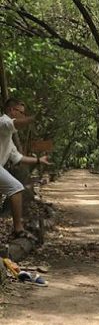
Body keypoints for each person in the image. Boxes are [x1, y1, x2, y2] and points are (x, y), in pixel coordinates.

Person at [0, 98, 51, 240]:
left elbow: (18, 157)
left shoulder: (7, 137)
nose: (23, 115)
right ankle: (18, 229)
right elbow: (16, 123)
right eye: (21, 112)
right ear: (11, 110)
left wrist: (39, 160)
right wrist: (34, 118)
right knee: (15, 187)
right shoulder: (2, 122)